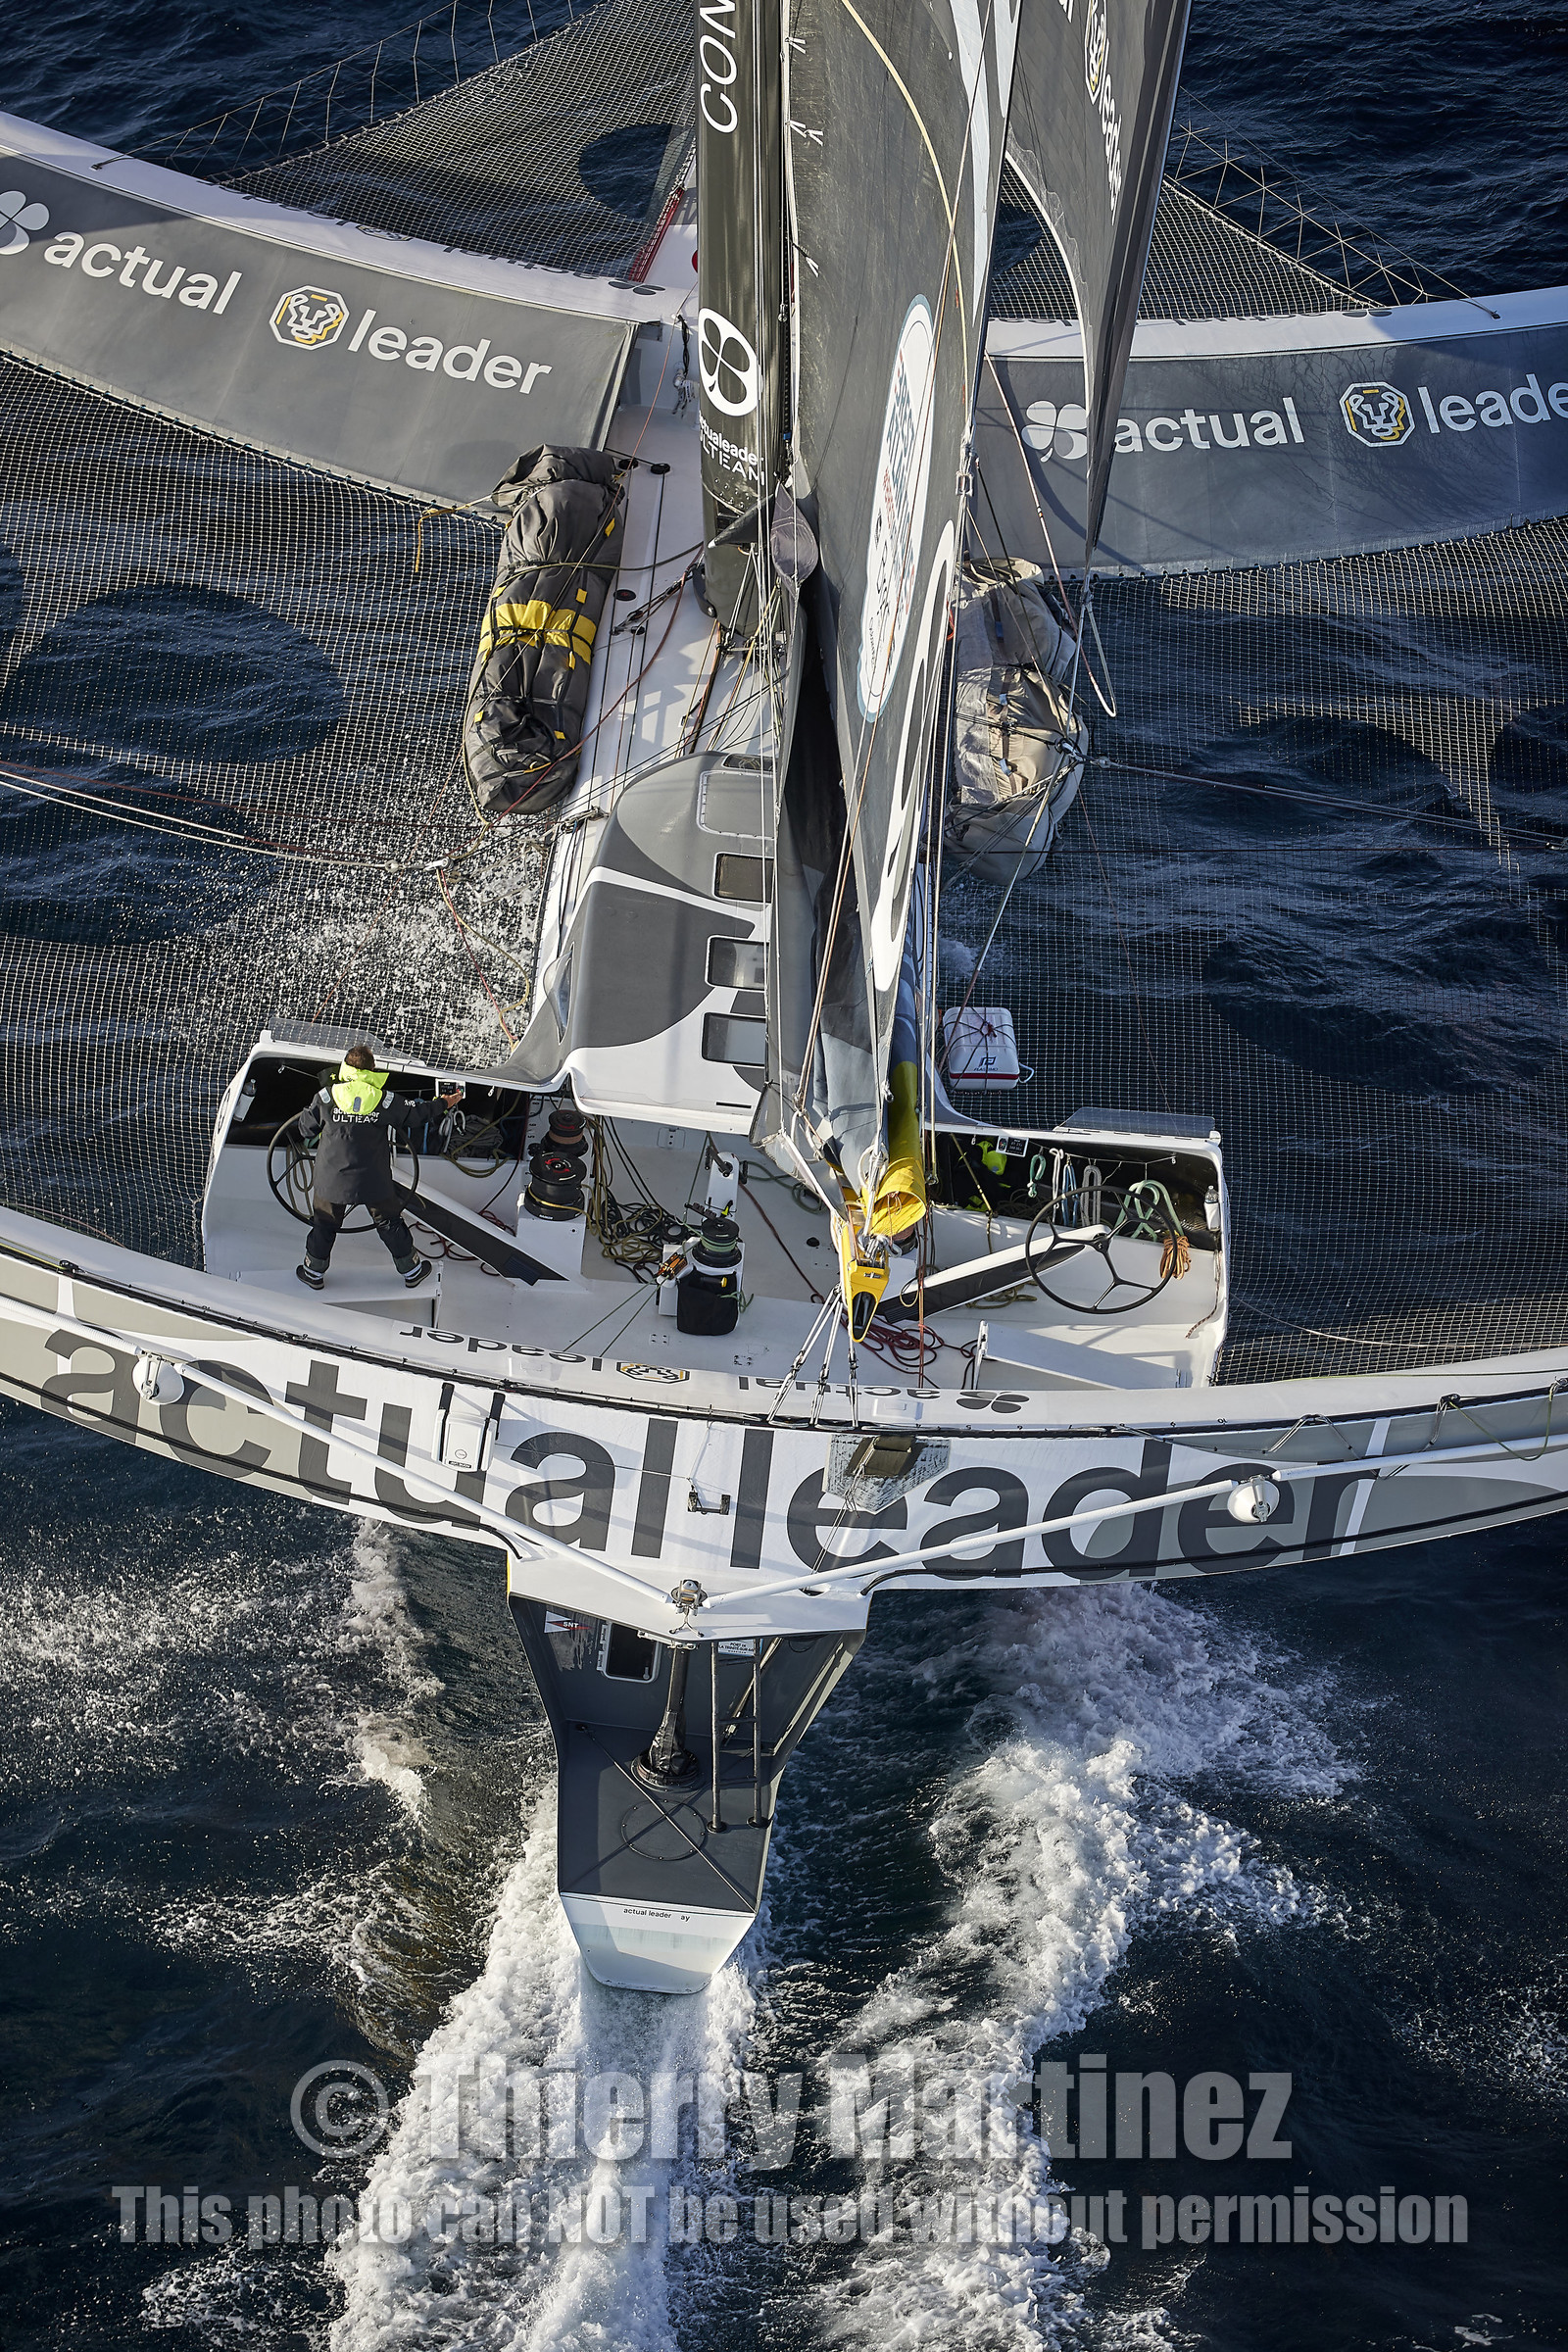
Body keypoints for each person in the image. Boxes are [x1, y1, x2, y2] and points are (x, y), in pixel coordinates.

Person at [294, 1046, 462, 1290]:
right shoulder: (385, 1100)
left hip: (332, 1180)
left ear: (345, 1067)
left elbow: (306, 1129)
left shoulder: (326, 1097)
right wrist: (444, 1102)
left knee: (325, 1224)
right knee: (389, 1222)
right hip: (373, 1180)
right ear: (373, 1069)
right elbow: (418, 1114)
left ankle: (313, 1273)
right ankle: (412, 1271)